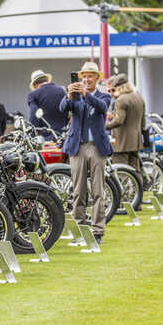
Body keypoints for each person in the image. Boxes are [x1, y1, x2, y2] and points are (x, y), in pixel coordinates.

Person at [59, 62, 113, 243]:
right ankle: (80, 230)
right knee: (78, 191)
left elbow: (103, 108)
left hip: (97, 147)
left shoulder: (103, 95)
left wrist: (86, 94)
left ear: (97, 78)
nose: (86, 79)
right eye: (84, 76)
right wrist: (68, 95)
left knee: (98, 191)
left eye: (90, 76)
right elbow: (62, 108)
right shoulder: (75, 96)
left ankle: (97, 231)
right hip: (78, 147)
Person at [106, 74, 146, 185]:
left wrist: (104, 126)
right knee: (135, 171)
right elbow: (143, 123)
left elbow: (119, 121)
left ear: (118, 87)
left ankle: (125, 198)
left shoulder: (121, 100)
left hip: (122, 142)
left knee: (121, 171)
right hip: (136, 141)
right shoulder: (139, 98)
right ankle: (138, 195)